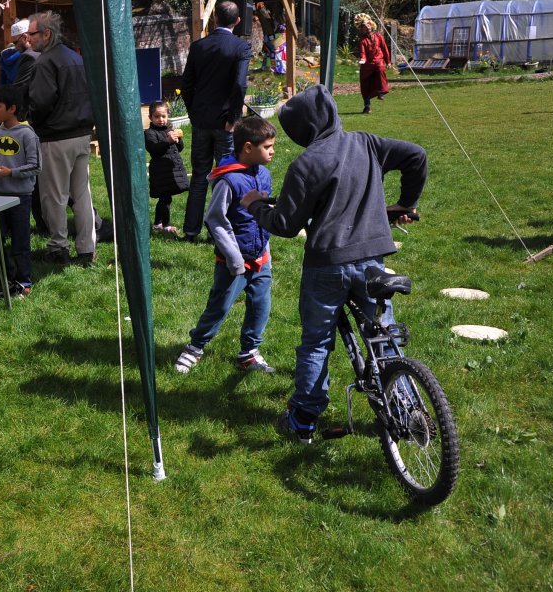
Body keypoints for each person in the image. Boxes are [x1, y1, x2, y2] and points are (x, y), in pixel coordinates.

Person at [241, 85, 426, 443]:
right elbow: (416, 156)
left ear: (302, 129)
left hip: (326, 263)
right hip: (372, 259)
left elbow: (285, 224)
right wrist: (406, 203)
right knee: (383, 336)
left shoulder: (305, 164)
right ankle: (405, 412)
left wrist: (256, 205)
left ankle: (303, 419)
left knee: (316, 342)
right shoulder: (366, 143)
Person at [173, 116, 278, 375]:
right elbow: (216, 219)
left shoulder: (264, 175)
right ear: (248, 148)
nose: (273, 151)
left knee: (260, 306)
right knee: (219, 306)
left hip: (260, 260)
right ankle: (195, 347)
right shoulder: (228, 180)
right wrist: (234, 258)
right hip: (233, 263)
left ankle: (249, 353)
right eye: (267, 147)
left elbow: (262, 215)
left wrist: (265, 250)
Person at [25, 10, 97, 266]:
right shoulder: (75, 57)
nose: (28, 39)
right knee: (81, 195)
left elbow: (41, 102)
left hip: (56, 137)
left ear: (46, 34)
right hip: (81, 134)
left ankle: (59, 247)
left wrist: (33, 121)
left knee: (54, 196)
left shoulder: (45, 62)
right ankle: (86, 248)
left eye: (31, 34)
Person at [180, 0, 251, 242]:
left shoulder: (198, 46)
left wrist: (194, 113)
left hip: (202, 120)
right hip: (224, 123)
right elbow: (240, 85)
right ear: (238, 21)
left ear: (215, 19)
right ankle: (217, 232)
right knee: (224, 178)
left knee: (200, 175)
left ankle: (191, 230)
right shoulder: (240, 47)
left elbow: (186, 85)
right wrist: (234, 119)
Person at [0, 84, 41, 297]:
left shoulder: (27, 135)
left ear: (12, 109)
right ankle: (6, 278)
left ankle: (23, 280)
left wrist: (11, 172)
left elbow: (36, 166)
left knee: (20, 242)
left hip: (20, 197)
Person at [143, 100, 189, 234]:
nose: (161, 119)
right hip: (160, 172)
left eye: (163, 116)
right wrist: (167, 141)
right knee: (165, 199)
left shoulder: (170, 130)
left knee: (165, 198)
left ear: (168, 116)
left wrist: (178, 141)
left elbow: (179, 149)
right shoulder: (149, 133)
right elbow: (154, 150)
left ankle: (157, 223)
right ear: (150, 117)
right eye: (157, 116)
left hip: (170, 171)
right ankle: (166, 225)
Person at [356, 13, 390, 114]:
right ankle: (367, 106)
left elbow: (384, 49)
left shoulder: (378, 36)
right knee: (365, 86)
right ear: (362, 29)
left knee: (380, 69)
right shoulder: (362, 41)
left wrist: (388, 61)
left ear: (371, 25)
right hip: (367, 66)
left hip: (378, 61)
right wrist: (362, 59)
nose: (367, 28)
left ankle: (381, 92)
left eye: (368, 25)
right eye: (364, 27)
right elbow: (362, 53)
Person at [0, 19, 39, 86]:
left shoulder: (29, 57)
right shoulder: (30, 56)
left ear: (25, 37)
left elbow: (3, 80)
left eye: (15, 42)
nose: (16, 47)